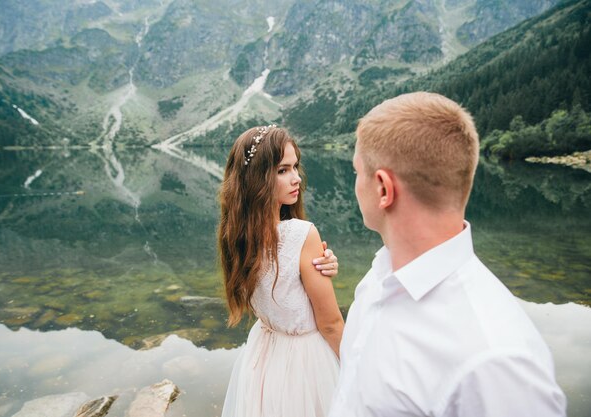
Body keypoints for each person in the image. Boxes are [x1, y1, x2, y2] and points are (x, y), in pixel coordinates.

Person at [329, 92, 567, 417]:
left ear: (383, 189)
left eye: (357, 172)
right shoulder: (377, 279)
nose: (356, 184)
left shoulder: (495, 361)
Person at [219, 125, 344, 417]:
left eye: (295, 166)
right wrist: (360, 372)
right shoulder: (302, 234)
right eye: (282, 170)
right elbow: (331, 324)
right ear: (257, 179)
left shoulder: (236, 235)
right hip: (307, 363)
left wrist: (323, 268)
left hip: (264, 358)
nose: (296, 178)